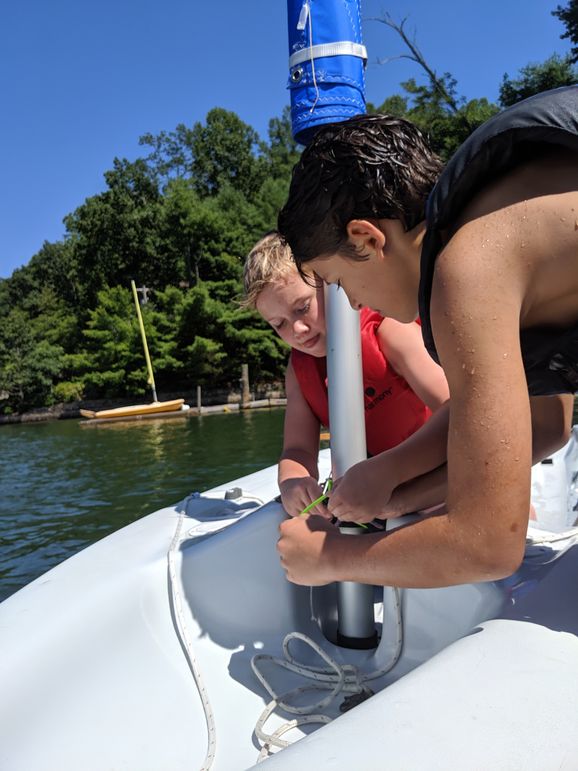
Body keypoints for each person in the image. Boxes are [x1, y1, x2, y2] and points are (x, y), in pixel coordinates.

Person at [276, 85, 578, 588]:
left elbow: (487, 545)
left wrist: (331, 559)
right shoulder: (503, 216)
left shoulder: (464, 271)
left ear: (367, 239)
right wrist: (395, 493)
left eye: (339, 282)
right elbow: (545, 428)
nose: (351, 304)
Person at [243, 231, 450, 519]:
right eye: (279, 324)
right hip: (377, 499)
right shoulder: (299, 371)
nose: (297, 330)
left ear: (331, 284)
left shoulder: (388, 331)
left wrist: (388, 471)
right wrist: (293, 483)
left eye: (303, 308)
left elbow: (458, 411)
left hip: (447, 485)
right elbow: (298, 449)